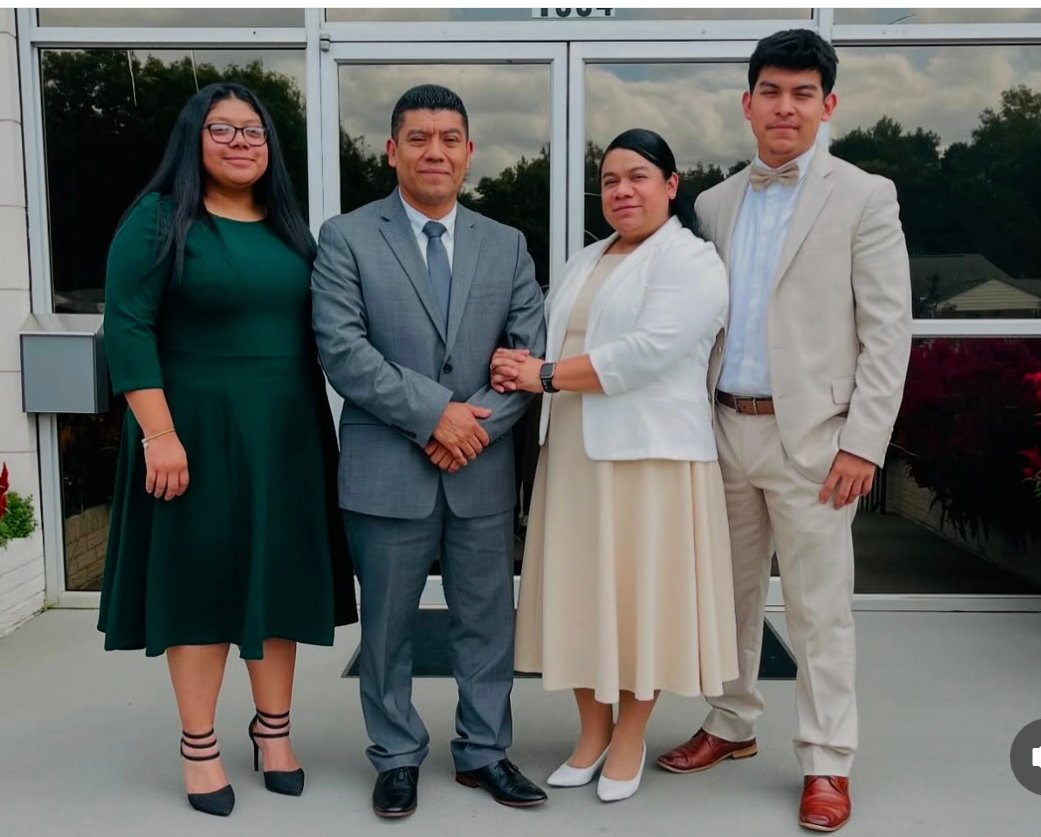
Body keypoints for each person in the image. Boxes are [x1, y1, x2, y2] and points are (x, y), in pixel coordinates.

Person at [654, 30, 912, 833]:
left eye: (802, 93)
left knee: (817, 611)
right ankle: (730, 721)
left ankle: (826, 758)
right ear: (747, 102)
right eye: (770, 91)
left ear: (826, 105)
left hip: (816, 442)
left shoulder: (865, 196)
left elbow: (887, 329)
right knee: (726, 598)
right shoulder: (713, 204)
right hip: (723, 429)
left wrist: (863, 442)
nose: (785, 107)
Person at [98, 82, 357, 817]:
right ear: (193, 138)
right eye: (222, 129)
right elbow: (127, 328)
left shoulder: (289, 228)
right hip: (192, 432)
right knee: (202, 587)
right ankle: (199, 744)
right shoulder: (158, 218)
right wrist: (160, 434)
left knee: (277, 580)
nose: (241, 141)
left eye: (254, 130)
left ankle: (273, 732)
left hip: (286, 433)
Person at [311, 84, 547, 819]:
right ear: (392, 150)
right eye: (418, 138)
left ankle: (484, 750)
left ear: (469, 152)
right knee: (388, 627)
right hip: (388, 470)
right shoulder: (346, 237)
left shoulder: (506, 243)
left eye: (449, 139)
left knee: (487, 621)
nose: (434, 151)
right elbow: (343, 350)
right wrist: (433, 416)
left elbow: (527, 353)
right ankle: (394, 755)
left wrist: (471, 427)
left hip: (481, 466)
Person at [493, 129, 739, 803]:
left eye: (637, 177)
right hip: (574, 452)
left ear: (670, 184)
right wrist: (519, 365)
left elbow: (648, 350)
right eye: (609, 181)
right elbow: (554, 339)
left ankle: (630, 735)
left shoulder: (692, 260)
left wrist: (542, 375)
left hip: (650, 458)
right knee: (579, 594)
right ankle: (592, 731)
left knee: (639, 603)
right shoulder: (586, 258)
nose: (622, 191)